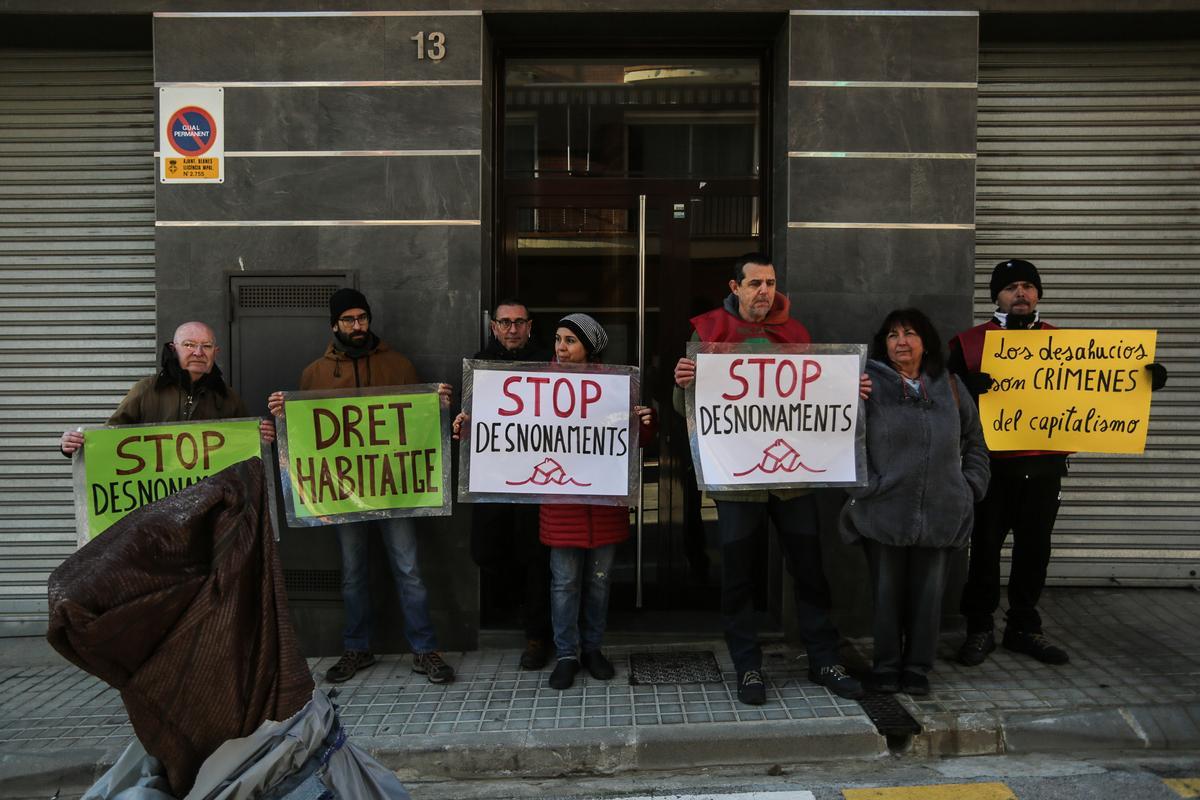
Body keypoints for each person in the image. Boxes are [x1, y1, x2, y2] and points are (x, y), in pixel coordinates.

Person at [950, 259, 1168, 667]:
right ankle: (979, 629)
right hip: (990, 468)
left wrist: (1141, 381)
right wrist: (964, 388)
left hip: (1046, 468)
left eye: (1028, 287)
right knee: (983, 552)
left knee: (1035, 550)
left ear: (1038, 294)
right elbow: (941, 398)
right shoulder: (968, 343)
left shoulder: (1066, 345)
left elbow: (1101, 386)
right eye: (1011, 287)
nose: (1021, 293)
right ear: (995, 295)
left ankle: (1023, 628)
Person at [672, 252, 868, 705]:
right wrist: (683, 386)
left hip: (793, 479)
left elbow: (814, 397)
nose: (765, 291)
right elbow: (691, 415)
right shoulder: (707, 334)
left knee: (810, 570)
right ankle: (747, 665)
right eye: (755, 283)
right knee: (738, 575)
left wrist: (848, 391)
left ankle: (824, 657)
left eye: (771, 282)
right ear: (735, 286)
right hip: (738, 482)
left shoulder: (795, 334)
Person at [267, 288, 455, 685]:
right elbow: (303, 436)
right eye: (349, 319)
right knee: (353, 572)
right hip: (344, 491)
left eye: (363, 318)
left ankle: (424, 650)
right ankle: (357, 648)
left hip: (396, 488)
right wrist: (284, 416)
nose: (357, 326)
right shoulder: (314, 373)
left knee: (409, 569)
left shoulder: (399, 364)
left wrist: (436, 403)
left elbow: (419, 422)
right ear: (334, 324)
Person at [839, 308, 990, 696]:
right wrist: (865, 487)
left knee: (928, 598)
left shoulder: (951, 385)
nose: (900, 342)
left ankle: (918, 668)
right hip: (883, 511)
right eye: (892, 335)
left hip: (942, 511)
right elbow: (843, 437)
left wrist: (970, 486)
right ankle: (887, 666)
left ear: (926, 342)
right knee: (886, 596)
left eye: (909, 333)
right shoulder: (867, 384)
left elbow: (975, 441)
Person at [540, 314, 655, 690]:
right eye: (558, 339)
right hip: (562, 505)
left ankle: (593, 649)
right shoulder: (537, 386)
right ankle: (566, 655)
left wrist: (647, 422)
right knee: (565, 583)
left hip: (605, 506)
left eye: (570, 340)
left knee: (599, 583)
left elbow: (640, 442)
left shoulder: (618, 386)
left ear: (589, 346)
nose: (561, 347)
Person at [467, 299, 554, 670]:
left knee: (535, 558)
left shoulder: (548, 362)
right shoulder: (478, 364)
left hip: (536, 478)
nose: (513, 329)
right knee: (487, 550)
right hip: (494, 476)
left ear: (530, 326)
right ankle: (517, 606)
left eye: (520, 322)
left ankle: (536, 635)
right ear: (494, 327)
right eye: (506, 322)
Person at [59, 321, 274, 455]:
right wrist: (73, 445)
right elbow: (108, 439)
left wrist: (264, 438)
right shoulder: (146, 390)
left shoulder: (227, 398)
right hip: (155, 509)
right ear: (173, 348)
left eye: (206, 346)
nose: (198, 352)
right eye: (189, 344)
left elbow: (247, 452)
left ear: (215, 352)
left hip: (207, 509)